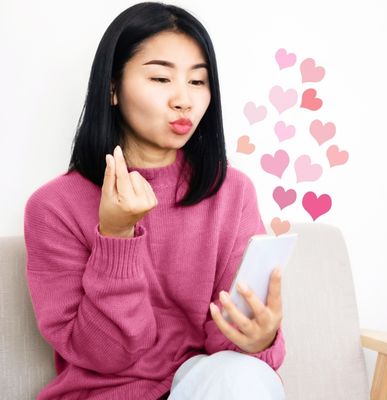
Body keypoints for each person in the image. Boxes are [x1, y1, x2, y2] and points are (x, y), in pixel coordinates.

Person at [23, 2, 286, 399]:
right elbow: (107, 356)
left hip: (200, 385)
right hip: (104, 392)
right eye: (161, 78)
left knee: (244, 375)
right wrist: (116, 236)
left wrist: (257, 338)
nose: (184, 100)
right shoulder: (53, 207)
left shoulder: (232, 191)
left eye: (198, 82)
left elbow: (229, 355)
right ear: (113, 88)